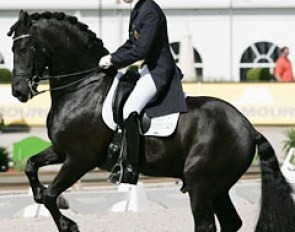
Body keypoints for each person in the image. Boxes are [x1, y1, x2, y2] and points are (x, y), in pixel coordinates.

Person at [99, 0, 187, 185]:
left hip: (159, 71)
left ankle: (132, 167)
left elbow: (141, 49)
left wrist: (115, 60)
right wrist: (111, 56)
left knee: (129, 109)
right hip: (147, 68)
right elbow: (131, 43)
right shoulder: (138, 9)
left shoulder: (150, 11)